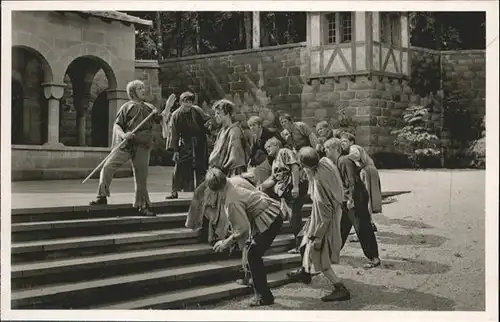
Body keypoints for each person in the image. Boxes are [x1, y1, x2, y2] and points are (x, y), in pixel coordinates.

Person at [208, 167, 284, 307]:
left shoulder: (231, 201)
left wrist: (225, 242)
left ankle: (264, 297)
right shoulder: (234, 179)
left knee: (253, 254)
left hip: (268, 218)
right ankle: (252, 280)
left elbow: (242, 229)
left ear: (215, 190)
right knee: (251, 250)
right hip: (272, 210)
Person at [89, 80, 165, 217]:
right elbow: (117, 125)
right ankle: (102, 196)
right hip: (126, 144)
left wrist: (165, 110)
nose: (143, 90)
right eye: (139, 88)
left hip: (143, 145)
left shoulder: (149, 107)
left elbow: (160, 119)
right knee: (107, 166)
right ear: (132, 92)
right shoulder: (126, 107)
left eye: (143, 87)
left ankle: (142, 206)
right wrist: (124, 134)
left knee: (141, 178)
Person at [286, 147, 351, 302]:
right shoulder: (324, 162)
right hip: (324, 213)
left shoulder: (319, 183)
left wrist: (318, 237)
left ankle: (340, 288)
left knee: (320, 255)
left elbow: (325, 214)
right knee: (303, 239)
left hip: (325, 219)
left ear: (305, 166)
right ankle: (305, 271)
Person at [324, 138, 381, 269]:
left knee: (362, 227)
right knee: (342, 227)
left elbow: (352, 181)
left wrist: (351, 199)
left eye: (328, 148)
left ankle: (374, 258)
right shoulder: (338, 161)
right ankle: (333, 252)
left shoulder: (344, 161)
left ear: (335, 149)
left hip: (356, 198)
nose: (325, 150)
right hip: (348, 199)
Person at [258, 137, 308, 254]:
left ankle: (301, 246)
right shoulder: (275, 161)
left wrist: (295, 186)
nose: (267, 150)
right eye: (266, 148)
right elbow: (273, 179)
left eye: (269, 146)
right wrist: (261, 187)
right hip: (286, 192)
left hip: (294, 187)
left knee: (294, 217)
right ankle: (300, 244)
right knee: (292, 218)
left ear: (276, 144)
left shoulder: (284, 152)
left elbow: (295, 167)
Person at [165, 91, 210, 199]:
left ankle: (201, 192)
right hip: (185, 143)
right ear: (181, 102)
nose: (188, 104)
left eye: (190, 102)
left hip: (199, 142)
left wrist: (209, 127)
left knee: (200, 167)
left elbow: (207, 120)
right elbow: (174, 134)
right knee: (179, 167)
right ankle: (174, 191)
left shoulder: (197, 110)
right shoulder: (176, 115)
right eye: (185, 102)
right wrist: (175, 150)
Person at [339, 132, 382, 232]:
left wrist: (344, 158)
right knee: (366, 199)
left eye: (345, 141)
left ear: (351, 141)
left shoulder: (354, 148)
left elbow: (356, 155)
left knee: (366, 199)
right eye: (341, 142)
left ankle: (367, 225)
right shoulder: (350, 149)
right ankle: (369, 223)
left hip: (367, 172)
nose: (343, 144)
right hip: (368, 171)